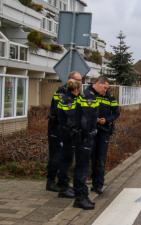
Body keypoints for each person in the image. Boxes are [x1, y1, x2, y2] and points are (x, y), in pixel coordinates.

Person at [57, 78, 99, 210]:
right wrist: (84, 132)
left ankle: (81, 196)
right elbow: (79, 120)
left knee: (81, 167)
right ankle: (80, 198)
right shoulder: (81, 99)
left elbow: (64, 119)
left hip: (76, 137)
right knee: (81, 168)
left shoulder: (67, 99)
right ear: (77, 88)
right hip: (81, 138)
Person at [46, 72, 82, 192]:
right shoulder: (61, 93)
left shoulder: (76, 94)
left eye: (81, 80)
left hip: (67, 132)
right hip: (56, 130)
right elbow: (60, 113)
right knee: (55, 156)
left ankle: (63, 182)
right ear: (70, 80)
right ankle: (50, 182)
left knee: (66, 157)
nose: (80, 82)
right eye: (78, 80)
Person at [88, 76, 120, 195]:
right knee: (92, 158)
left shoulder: (110, 97)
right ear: (99, 84)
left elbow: (116, 112)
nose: (106, 90)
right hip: (91, 130)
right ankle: (93, 181)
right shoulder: (89, 94)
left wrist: (106, 120)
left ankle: (98, 185)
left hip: (104, 131)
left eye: (107, 88)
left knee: (100, 159)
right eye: (105, 88)